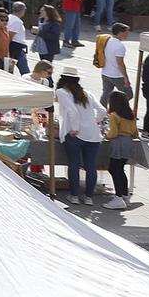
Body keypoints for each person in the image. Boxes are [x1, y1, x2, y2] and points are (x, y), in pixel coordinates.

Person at [55, 74, 105, 205]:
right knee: (90, 166)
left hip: (74, 134)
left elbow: (72, 111)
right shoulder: (87, 93)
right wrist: (93, 122)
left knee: (74, 164)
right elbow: (102, 110)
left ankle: (74, 195)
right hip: (92, 134)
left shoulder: (61, 92)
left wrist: (76, 127)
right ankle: (89, 197)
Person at [103, 89, 142, 210]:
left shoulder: (114, 115)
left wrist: (106, 135)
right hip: (129, 142)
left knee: (113, 169)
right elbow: (136, 133)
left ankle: (118, 197)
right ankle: (125, 195)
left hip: (118, 142)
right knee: (120, 169)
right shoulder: (131, 115)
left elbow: (113, 133)